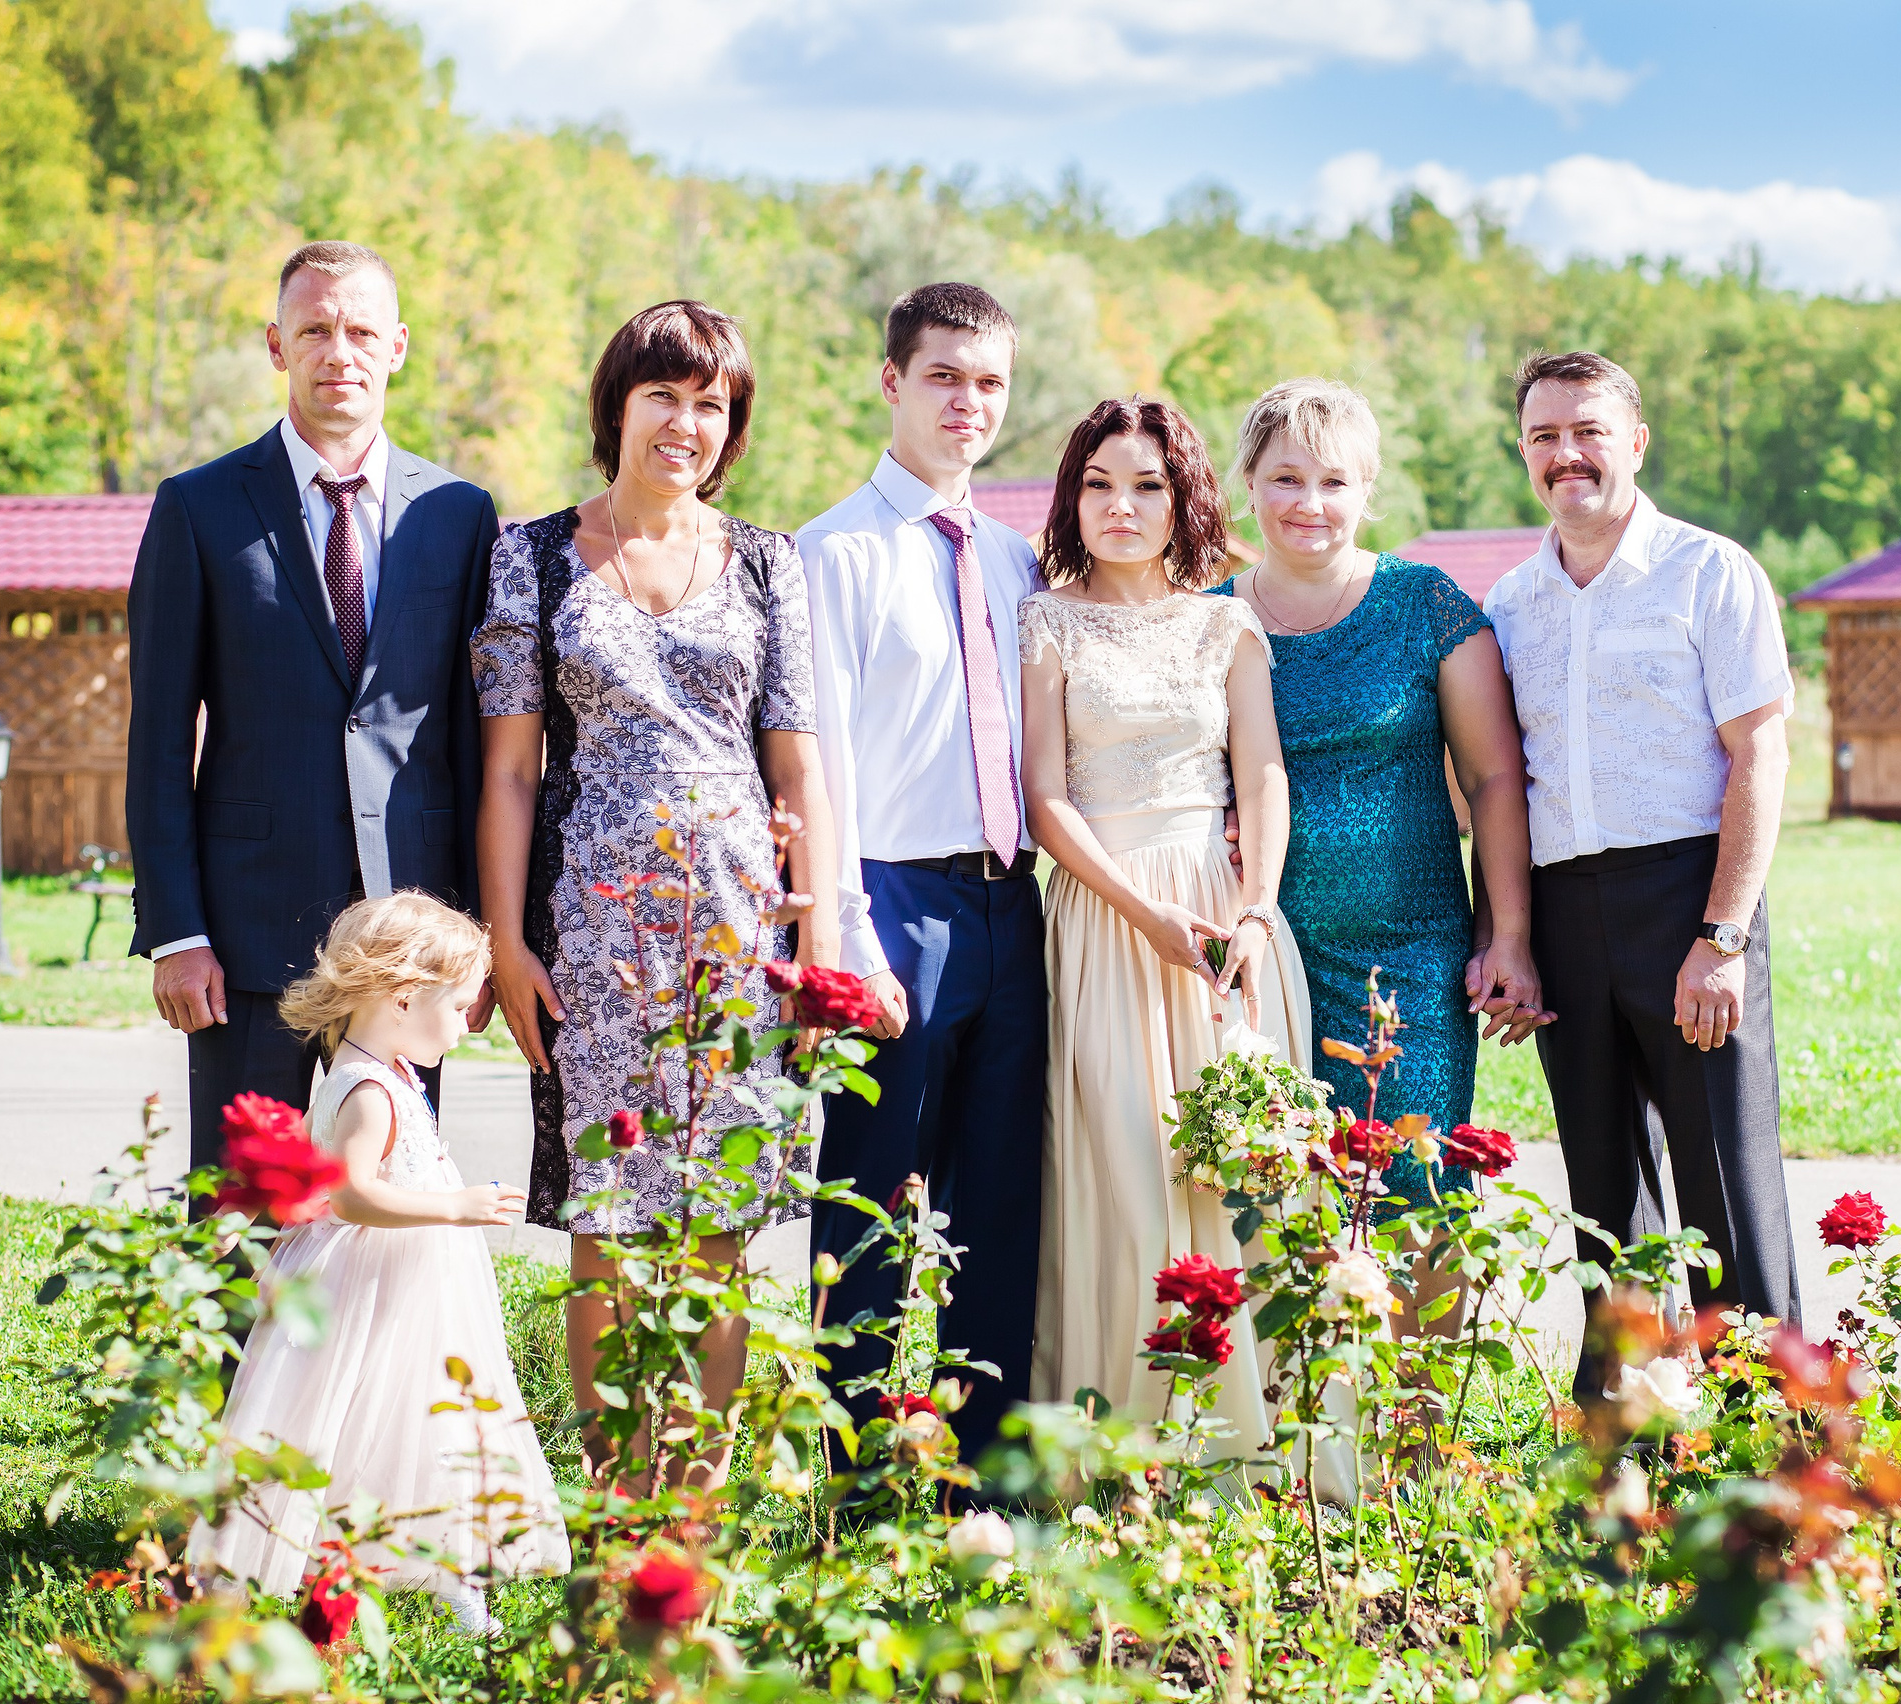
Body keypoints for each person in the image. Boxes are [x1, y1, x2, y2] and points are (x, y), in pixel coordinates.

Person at [473, 300, 833, 1483]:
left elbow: (796, 766)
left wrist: (815, 942)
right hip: (591, 931)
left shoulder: (770, 562)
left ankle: (695, 1515)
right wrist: (504, 940)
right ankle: (622, 1505)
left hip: (739, 927)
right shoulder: (530, 555)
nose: (685, 424)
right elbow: (513, 770)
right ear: (616, 407)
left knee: (718, 1228)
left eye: (711, 404)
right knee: (611, 1224)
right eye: (663, 397)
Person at [127, 241, 496, 1202]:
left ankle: (372, 1367)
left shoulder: (460, 514)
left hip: (409, 939)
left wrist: (476, 943)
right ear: (276, 344)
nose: (340, 350)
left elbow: (472, 737)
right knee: (245, 1212)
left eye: (362, 330)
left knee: (391, 1212)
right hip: (249, 932)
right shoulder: (198, 508)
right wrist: (177, 933)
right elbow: (160, 740)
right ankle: (241, 1363)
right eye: (316, 329)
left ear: (399, 346)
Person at [1480, 350, 1801, 1385]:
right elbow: (1495, 784)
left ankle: (1772, 1444)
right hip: (1565, 910)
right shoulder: (1510, 603)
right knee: (1602, 1196)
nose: (1564, 454)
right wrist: (1511, 938)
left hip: (1689, 905)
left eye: (1586, 431)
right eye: (1542, 436)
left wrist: (1721, 939)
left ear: (1635, 441)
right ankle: (1623, 1438)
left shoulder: (1709, 571)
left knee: (1725, 1193)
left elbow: (1760, 753)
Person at [1218, 381, 1542, 1333]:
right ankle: (1310, 1439)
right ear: (1247, 484)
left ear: (1367, 490)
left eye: (1332, 480)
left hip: (1413, 952)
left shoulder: (1424, 603)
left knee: (1419, 1191)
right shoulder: (1208, 614)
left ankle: (1417, 1443)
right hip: (1266, 952)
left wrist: (1508, 933)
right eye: (1284, 478)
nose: (1307, 503)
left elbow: (1493, 782)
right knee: (1280, 1190)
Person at [1021, 397, 1307, 1458]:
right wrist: (1143, 915)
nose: (1120, 507)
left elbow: (1262, 771)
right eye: (1098, 484)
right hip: (1105, 917)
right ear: (1072, 498)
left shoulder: (1225, 622)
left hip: (1226, 920)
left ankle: (1254, 1428)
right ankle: (1130, 1435)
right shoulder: (1046, 621)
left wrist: (1256, 904)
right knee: (1125, 1168)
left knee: (1236, 1174)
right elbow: (1044, 798)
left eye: (1144, 485)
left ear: (1181, 497)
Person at [798, 283, 1046, 1464]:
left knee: (997, 1207)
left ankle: (979, 1478)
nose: (967, 401)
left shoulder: (1018, 560)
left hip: (1013, 903)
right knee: (868, 1205)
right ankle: (852, 1477)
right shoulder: (829, 554)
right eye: (944, 375)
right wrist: (846, 936)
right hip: (891, 902)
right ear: (891, 381)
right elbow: (819, 768)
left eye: (989, 381)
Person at [190, 893, 568, 1635]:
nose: (465, 1027)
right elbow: (354, 1194)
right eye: (459, 1009)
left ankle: (442, 1569)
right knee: (366, 1413)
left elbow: (299, 1151)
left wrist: (241, 1209)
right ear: (402, 998)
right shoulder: (369, 1090)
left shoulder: (369, 1065)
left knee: (426, 1419)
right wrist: (455, 1207)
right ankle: (326, 1554)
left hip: (416, 1283)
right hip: (375, 1279)